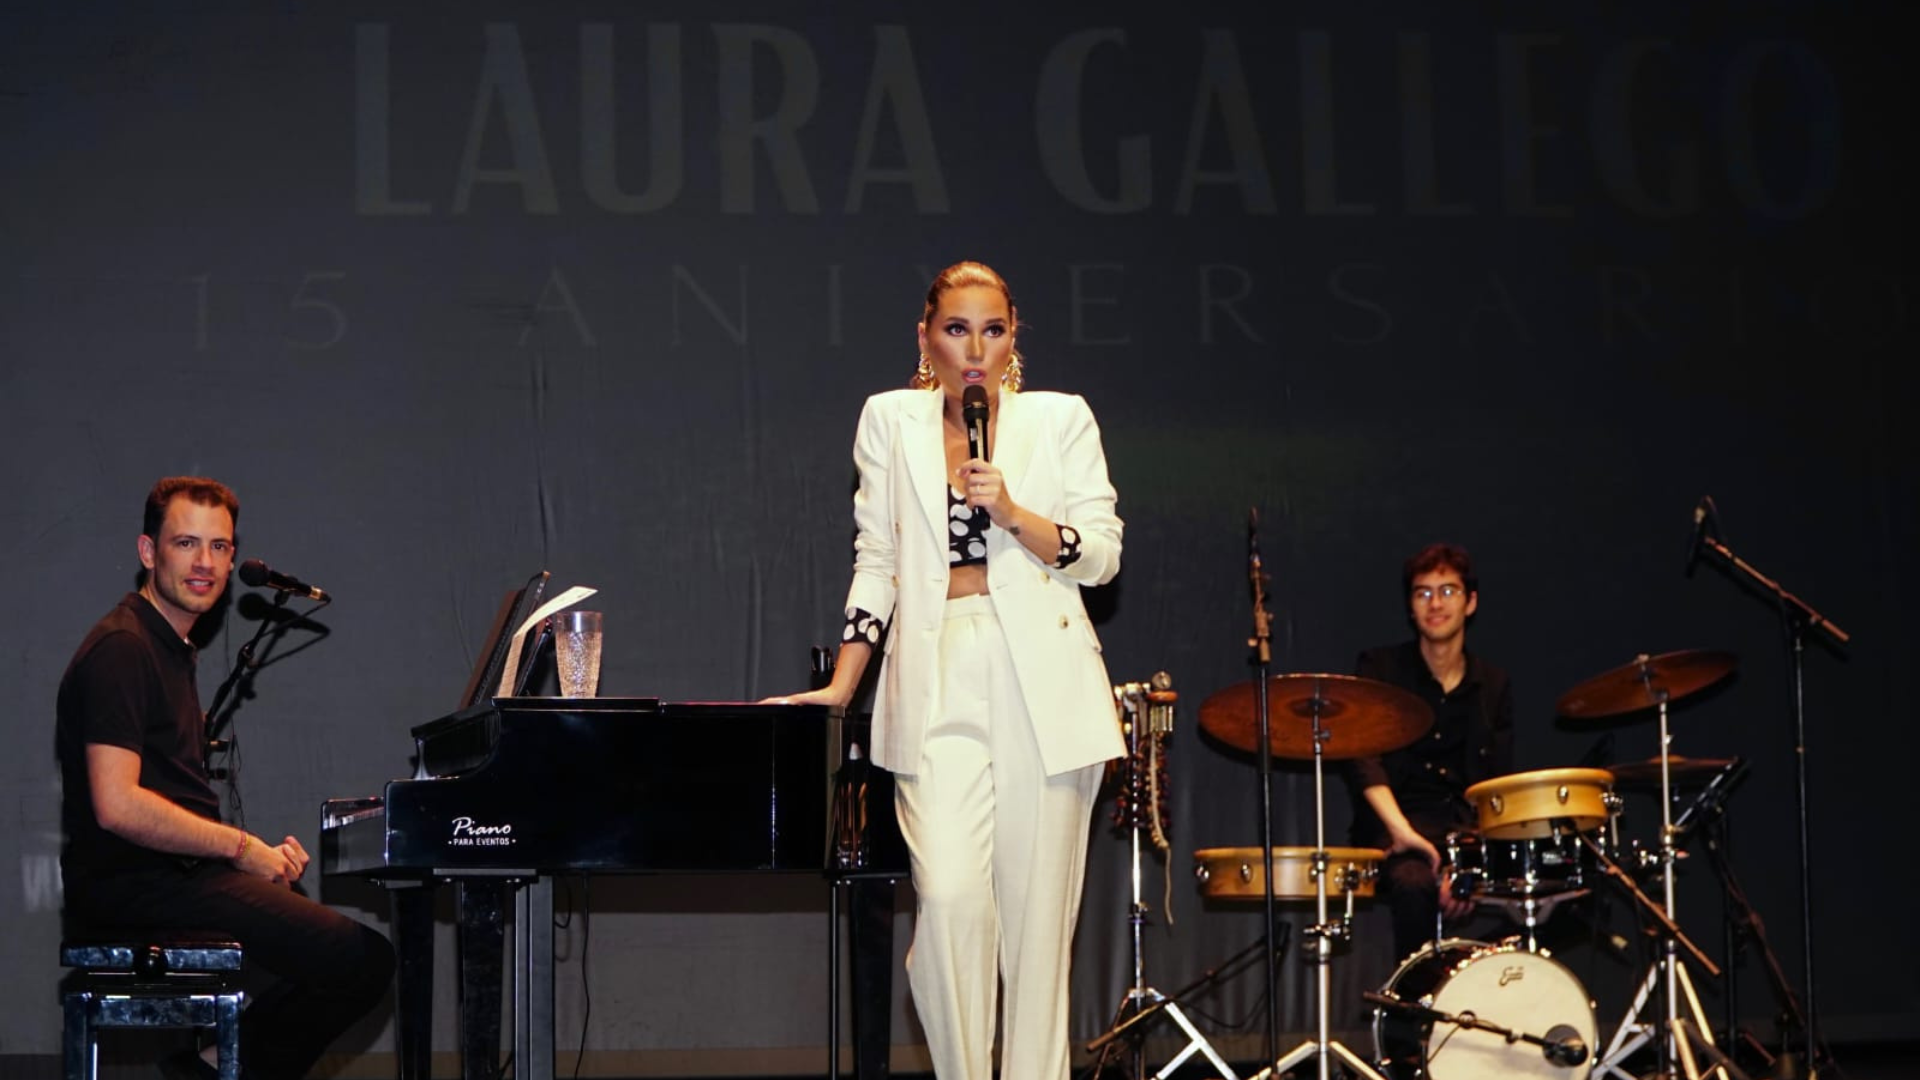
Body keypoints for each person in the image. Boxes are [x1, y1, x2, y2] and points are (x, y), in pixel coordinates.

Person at [774, 261, 1124, 1080]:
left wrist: (1012, 512)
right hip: (935, 672)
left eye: (992, 330)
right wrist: (844, 684)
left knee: (1038, 934)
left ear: (1013, 337)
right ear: (926, 337)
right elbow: (878, 558)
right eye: (957, 329)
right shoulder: (889, 421)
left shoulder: (1060, 419)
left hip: (1044, 677)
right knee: (951, 899)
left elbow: (1102, 556)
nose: (975, 350)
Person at [56, 476, 393, 1080]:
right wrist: (240, 848)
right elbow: (117, 804)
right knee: (360, 961)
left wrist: (252, 858)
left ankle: (211, 1067)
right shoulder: (123, 649)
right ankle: (209, 1071)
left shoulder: (169, 647)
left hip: (172, 875)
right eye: (186, 543)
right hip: (132, 883)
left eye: (219, 547)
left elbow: (168, 800)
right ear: (148, 551)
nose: (205, 563)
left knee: (343, 957)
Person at [1347, 542, 1514, 964]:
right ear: (1410, 606)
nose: (1435, 603)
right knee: (1414, 882)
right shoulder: (1381, 668)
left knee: (1568, 886)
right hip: (1395, 832)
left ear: (1470, 602)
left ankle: (1467, 971)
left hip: (1464, 836)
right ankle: (1414, 1000)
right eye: (1423, 593)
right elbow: (1361, 757)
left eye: (1447, 591)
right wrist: (1402, 832)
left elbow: (1496, 786)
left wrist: (1467, 867)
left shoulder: (1493, 684)